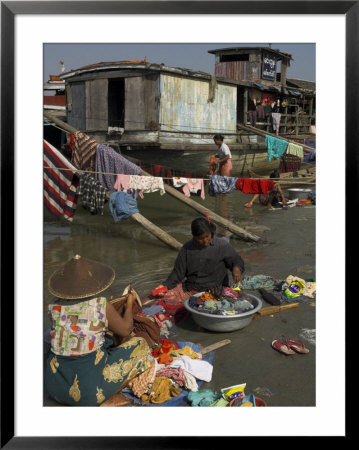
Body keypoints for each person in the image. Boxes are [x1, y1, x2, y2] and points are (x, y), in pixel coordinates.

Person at [44, 254, 153, 406]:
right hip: (88, 394)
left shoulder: (53, 305)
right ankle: (107, 398)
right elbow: (126, 330)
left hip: (54, 388)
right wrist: (129, 304)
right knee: (140, 345)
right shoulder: (99, 304)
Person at [152, 217, 245, 304]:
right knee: (154, 297)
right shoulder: (186, 249)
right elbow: (177, 274)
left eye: (207, 236)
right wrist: (164, 286)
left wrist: (236, 268)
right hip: (191, 289)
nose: (205, 241)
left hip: (216, 290)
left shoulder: (222, 245)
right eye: (200, 238)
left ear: (211, 233)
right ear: (194, 236)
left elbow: (237, 261)